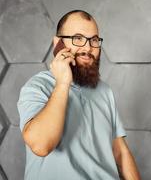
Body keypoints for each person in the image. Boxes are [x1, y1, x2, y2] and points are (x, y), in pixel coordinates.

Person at [17, 10, 141, 180]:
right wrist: (63, 83)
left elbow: (120, 152)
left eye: (94, 40)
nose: (88, 47)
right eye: (78, 38)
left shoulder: (104, 91)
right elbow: (40, 145)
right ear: (58, 44)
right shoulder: (37, 86)